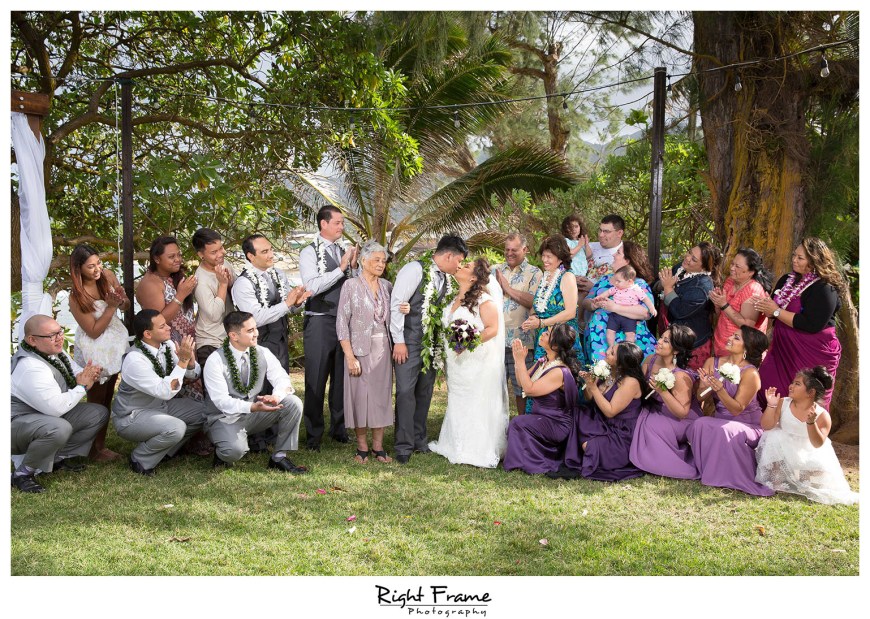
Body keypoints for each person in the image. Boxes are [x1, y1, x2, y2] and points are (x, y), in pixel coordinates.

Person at [390, 235, 467, 464]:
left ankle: (419, 439)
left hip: (432, 344)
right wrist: (399, 340)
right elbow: (397, 303)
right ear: (448, 256)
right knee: (405, 391)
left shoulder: (448, 279)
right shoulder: (414, 269)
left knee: (424, 391)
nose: (459, 266)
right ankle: (403, 445)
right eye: (459, 261)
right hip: (410, 341)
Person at [11, 315, 108, 493]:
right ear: (32, 340)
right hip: (15, 426)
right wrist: (82, 386)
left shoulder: (53, 352)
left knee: (97, 414)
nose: (60, 338)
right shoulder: (31, 366)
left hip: (42, 417)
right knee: (59, 427)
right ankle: (23, 473)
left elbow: (75, 371)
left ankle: (53, 460)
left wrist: (90, 373)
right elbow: (56, 409)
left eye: (60, 332)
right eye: (52, 335)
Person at [429, 258, 509, 468]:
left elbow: (492, 329)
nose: (460, 266)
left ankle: (476, 448)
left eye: (466, 266)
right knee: (458, 398)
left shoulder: (485, 300)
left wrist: (468, 342)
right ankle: (455, 444)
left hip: (476, 361)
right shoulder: (455, 297)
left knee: (476, 398)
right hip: (456, 362)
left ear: (473, 277)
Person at [202, 311, 306, 472]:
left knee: (293, 403)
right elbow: (221, 402)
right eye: (250, 330)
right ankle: (222, 453)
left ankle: (279, 457)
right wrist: (252, 407)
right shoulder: (215, 360)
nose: (256, 333)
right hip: (224, 418)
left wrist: (276, 396)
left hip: (254, 413)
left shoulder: (262, 352)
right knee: (234, 451)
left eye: (255, 328)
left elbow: (282, 379)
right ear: (234, 336)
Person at [754, 237, 845, 410]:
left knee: (804, 397)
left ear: (814, 261)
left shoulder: (825, 289)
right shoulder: (787, 279)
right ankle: (762, 431)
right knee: (766, 386)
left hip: (811, 353)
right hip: (781, 350)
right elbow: (772, 309)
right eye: (794, 255)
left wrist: (776, 311)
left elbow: (812, 324)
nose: (794, 260)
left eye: (800, 258)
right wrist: (762, 305)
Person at [111, 310, 206, 476]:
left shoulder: (167, 345)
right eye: (162, 326)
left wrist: (190, 362)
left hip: (161, 407)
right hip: (132, 416)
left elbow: (192, 374)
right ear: (147, 334)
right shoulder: (135, 359)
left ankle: (164, 452)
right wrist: (183, 362)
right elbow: (166, 391)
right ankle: (139, 458)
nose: (169, 328)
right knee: (176, 427)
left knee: (203, 412)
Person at [298, 206, 358, 450]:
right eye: (338, 223)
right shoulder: (308, 252)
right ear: (323, 224)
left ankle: (339, 428)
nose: (342, 228)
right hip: (320, 321)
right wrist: (341, 268)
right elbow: (312, 285)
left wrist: (353, 268)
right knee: (317, 377)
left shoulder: (343, 250)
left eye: (342, 224)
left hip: (344, 321)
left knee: (341, 379)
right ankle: (313, 434)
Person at [687, 326, 772, 496]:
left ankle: (731, 476)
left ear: (746, 348)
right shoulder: (713, 362)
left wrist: (720, 390)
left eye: (737, 338)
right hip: (720, 418)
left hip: (747, 423)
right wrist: (705, 385)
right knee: (699, 424)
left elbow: (737, 409)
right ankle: (707, 471)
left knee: (726, 430)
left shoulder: (751, 373)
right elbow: (701, 398)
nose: (730, 338)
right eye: (732, 335)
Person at [755, 367, 858, 505]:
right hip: (784, 447)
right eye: (792, 382)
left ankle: (800, 476)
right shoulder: (783, 403)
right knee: (772, 436)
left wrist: (811, 423)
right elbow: (766, 426)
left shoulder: (823, 415)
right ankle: (780, 479)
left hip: (807, 450)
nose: (791, 386)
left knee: (821, 477)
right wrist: (771, 405)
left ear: (811, 392)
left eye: (797, 384)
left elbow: (817, 444)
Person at [68, 243, 130, 461]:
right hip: (94, 346)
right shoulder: (76, 296)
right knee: (95, 396)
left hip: (114, 342)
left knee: (108, 394)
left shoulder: (108, 276)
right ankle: (90, 448)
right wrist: (111, 307)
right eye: (90, 267)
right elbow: (93, 331)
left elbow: (126, 306)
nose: (97, 270)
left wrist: (121, 301)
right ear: (78, 269)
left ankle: (100, 445)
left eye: (99, 263)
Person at [552, 341, 649, 481]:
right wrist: (591, 381)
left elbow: (610, 411)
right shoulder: (610, 372)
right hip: (602, 421)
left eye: (612, 352)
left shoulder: (631, 382)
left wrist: (594, 388)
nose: (607, 352)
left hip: (620, 434)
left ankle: (588, 453)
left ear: (621, 363)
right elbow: (589, 398)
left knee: (588, 446)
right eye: (611, 348)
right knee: (575, 412)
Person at [336, 241, 394, 464]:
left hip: (382, 350)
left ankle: (378, 447)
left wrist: (404, 308)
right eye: (377, 260)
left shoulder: (387, 286)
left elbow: (395, 317)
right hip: (358, 350)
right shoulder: (350, 286)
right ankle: (362, 447)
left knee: (380, 396)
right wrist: (349, 356)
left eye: (383, 260)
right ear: (363, 261)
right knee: (359, 397)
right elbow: (342, 323)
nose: (381, 264)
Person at [503, 324, 581, 475]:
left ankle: (528, 462)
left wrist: (520, 361)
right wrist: (517, 359)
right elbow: (521, 382)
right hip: (543, 418)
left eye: (547, 333)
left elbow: (530, 389)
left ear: (556, 345)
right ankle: (525, 459)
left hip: (556, 423)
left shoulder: (559, 370)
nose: (543, 334)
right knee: (519, 423)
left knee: (517, 423)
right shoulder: (544, 361)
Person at [136, 236, 204, 404]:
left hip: (188, 340)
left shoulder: (175, 276)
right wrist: (181, 295)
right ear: (157, 259)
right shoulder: (150, 283)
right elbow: (158, 322)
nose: (178, 260)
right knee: (179, 392)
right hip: (171, 345)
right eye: (171, 257)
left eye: (179, 255)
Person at [629, 325, 700, 479]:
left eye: (666, 340)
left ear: (676, 350)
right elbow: (640, 390)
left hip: (679, 419)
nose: (659, 341)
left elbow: (682, 412)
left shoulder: (681, 376)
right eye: (661, 337)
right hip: (652, 408)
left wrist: (663, 392)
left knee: (651, 426)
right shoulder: (650, 359)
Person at [233, 233, 308, 373]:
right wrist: (287, 304)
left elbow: (290, 309)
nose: (271, 255)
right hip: (257, 345)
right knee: (261, 392)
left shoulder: (279, 274)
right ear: (251, 256)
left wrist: (296, 304)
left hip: (281, 343)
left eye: (271, 249)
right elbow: (256, 318)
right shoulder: (243, 283)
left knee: (281, 389)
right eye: (264, 252)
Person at [582, 240, 657, 362]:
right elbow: (586, 301)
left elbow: (646, 313)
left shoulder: (638, 284)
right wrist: (593, 304)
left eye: (618, 253)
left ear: (627, 261)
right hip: (598, 339)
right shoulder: (605, 279)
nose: (613, 255)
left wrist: (615, 307)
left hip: (625, 342)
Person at [493, 233, 542, 413]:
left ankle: (522, 430)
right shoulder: (494, 270)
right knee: (494, 390)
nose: (510, 253)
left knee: (522, 390)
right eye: (507, 249)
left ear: (525, 249)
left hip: (521, 342)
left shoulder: (535, 273)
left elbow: (533, 301)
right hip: (495, 340)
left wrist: (507, 288)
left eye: (514, 250)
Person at [656, 242, 720, 370]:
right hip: (672, 337)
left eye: (694, 259)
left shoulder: (702, 286)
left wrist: (668, 287)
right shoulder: (681, 268)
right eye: (690, 252)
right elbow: (660, 284)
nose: (688, 258)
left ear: (704, 267)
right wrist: (661, 284)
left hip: (691, 344)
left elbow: (679, 311)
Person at [521, 236, 582, 369]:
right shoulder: (546, 276)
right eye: (543, 256)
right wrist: (535, 317)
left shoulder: (567, 277)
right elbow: (541, 308)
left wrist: (542, 323)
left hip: (561, 340)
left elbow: (571, 312)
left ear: (560, 258)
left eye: (549, 256)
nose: (544, 260)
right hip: (544, 338)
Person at [708, 248, 770, 357]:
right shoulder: (730, 281)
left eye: (737, 267)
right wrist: (717, 302)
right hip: (721, 343)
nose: (732, 268)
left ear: (751, 272)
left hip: (738, 351)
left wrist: (724, 305)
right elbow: (722, 314)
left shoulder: (753, 290)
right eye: (732, 264)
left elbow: (747, 325)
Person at [192, 228, 235, 371]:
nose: (221, 254)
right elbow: (215, 315)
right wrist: (222, 284)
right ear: (201, 255)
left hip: (229, 338)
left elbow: (236, 292)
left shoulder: (224, 263)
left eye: (221, 248)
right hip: (210, 342)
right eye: (213, 252)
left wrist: (229, 283)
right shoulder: (201, 281)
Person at [593, 264, 657, 347]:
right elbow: (607, 292)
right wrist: (599, 298)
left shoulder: (636, 289)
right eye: (615, 280)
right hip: (615, 315)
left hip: (629, 317)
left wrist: (652, 308)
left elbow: (646, 299)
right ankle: (611, 347)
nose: (616, 283)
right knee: (609, 332)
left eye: (619, 281)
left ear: (629, 281)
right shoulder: (616, 288)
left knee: (630, 335)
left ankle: (627, 349)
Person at [561, 214, 592, 279]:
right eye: (570, 227)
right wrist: (580, 245)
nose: (574, 229)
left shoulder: (580, 241)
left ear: (580, 227)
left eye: (576, 226)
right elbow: (568, 255)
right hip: (571, 275)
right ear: (565, 229)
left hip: (583, 275)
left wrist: (586, 244)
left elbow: (589, 256)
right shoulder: (565, 241)